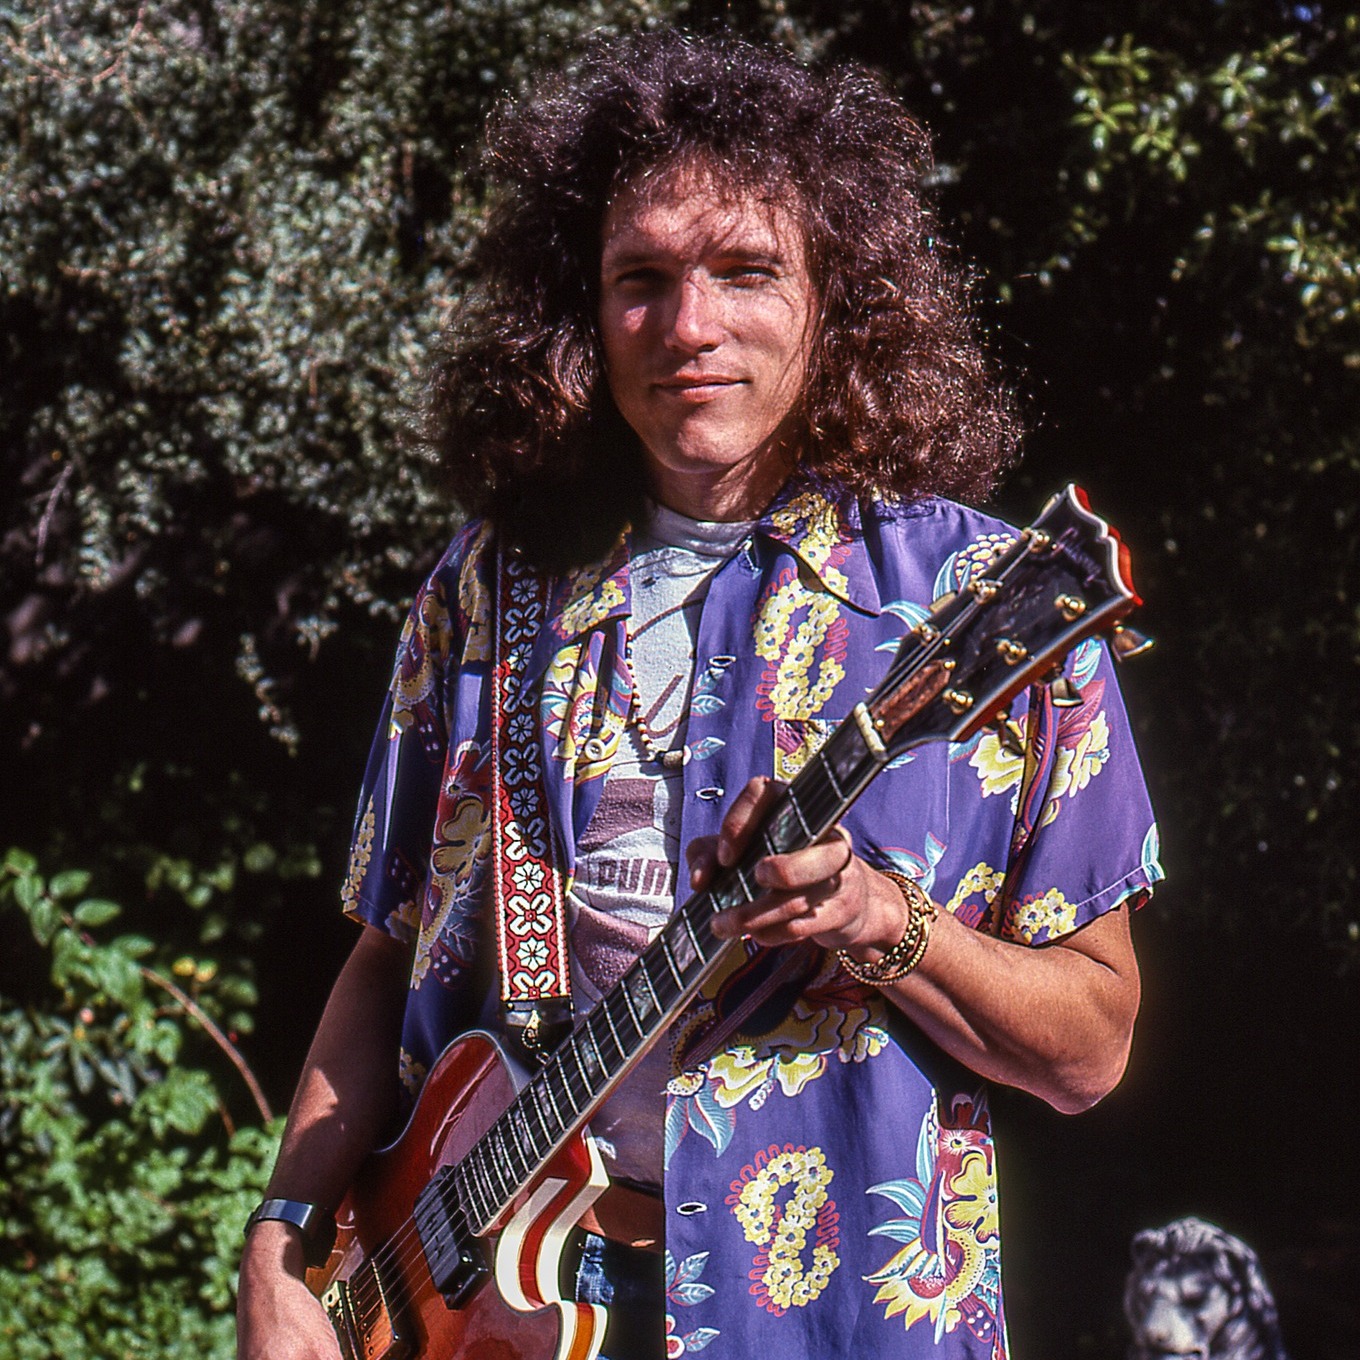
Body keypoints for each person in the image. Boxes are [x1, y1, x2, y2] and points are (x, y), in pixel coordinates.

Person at [236, 29, 1163, 1360]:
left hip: (834, 1320)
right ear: (580, 311)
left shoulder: (984, 601)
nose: (689, 327)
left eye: (746, 271)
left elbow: (1091, 1050)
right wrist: (280, 1243)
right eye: (642, 279)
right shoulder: (486, 588)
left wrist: (883, 921)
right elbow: (389, 952)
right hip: (468, 1311)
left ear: (837, 298)